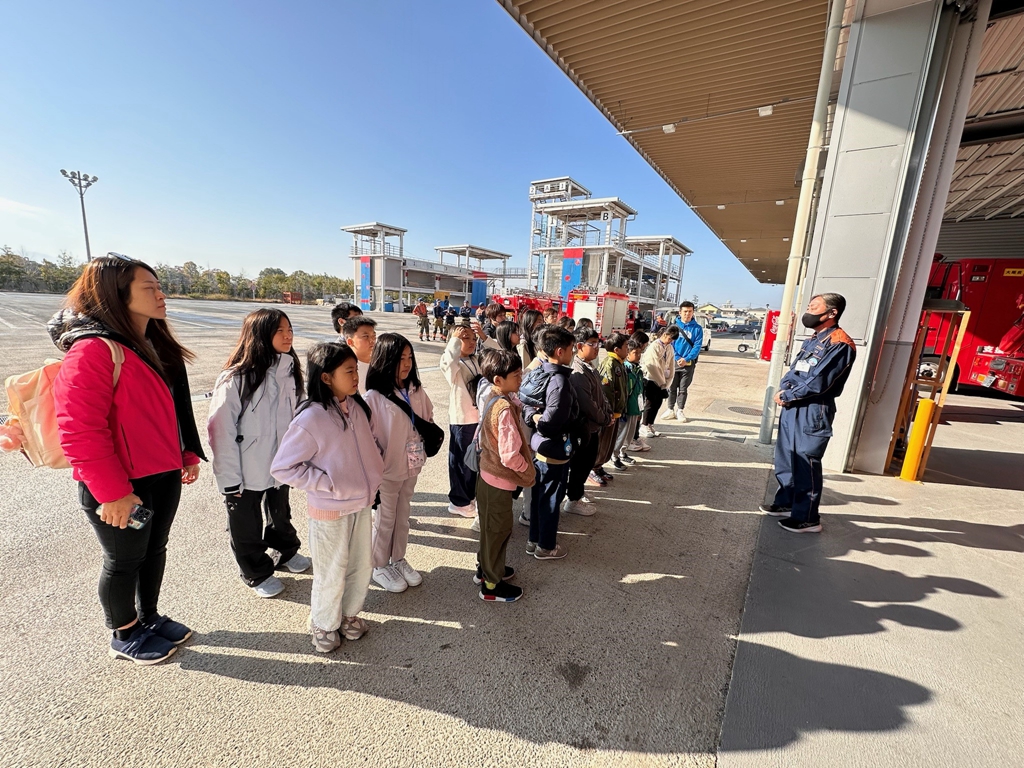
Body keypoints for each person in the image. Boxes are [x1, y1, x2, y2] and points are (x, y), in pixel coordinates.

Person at [49, 255, 205, 665]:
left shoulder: (152, 343)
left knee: (154, 549)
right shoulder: (93, 350)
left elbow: (173, 409)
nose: (161, 295)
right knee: (124, 560)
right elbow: (79, 430)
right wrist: (113, 493)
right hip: (122, 486)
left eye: (159, 286)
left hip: (162, 473)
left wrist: (186, 452)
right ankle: (124, 632)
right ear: (117, 295)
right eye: (149, 288)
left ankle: (148, 616)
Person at [271, 343, 385, 653]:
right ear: (326, 377)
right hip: (330, 510)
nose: (356, 376)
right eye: (348, 371)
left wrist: (374, 471)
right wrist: (329, 485)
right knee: (331, 570)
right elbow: (283, 467)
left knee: (360, 565)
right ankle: (323, 623)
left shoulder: (358, 408)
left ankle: (349, 615)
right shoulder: (311, 418)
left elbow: (370, 445)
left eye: (356, 369)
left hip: (361, 504)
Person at [207, 309, 309, 599]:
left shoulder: (290, 372)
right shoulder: (236, 378)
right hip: (245, 467)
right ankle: (255, 571)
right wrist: (229, 479)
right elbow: (220, 430)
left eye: (290, 329)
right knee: (246, 523)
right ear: (260, 334)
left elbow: (301, 415)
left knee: (280, 512)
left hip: (280, 463)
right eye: (279, 330)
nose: (288, 336)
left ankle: (285, 551)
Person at [762, 294, 856, 534]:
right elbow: (795, 370)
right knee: (787, 457)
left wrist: (788, 395)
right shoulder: (813, 340)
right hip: (793, 406)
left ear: (832, 313)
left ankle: (807, 518)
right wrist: (784, 388)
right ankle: (786, 502)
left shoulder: (840, 343)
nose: (809, 311)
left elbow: (819, 381)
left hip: (813, 409)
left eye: (814, 307)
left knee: (806, 461)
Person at [363, 334, 435, 593]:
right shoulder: (373, 397)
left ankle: (398, 559)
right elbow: (368, 438)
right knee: (385, 518)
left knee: (403, 515)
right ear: (385, 360)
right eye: (400, 359)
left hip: (411, 465)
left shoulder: (416, 390)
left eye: (409, 358)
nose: (406, 364)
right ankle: (378, 564)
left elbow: (428, 416)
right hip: (387, 471)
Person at [474, 350, 536, 602]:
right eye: (516, 375)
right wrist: (526, 468)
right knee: (498, 531)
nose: (521, 378)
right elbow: (509, 456)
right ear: (498, 380)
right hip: (499, 481)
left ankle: (486, 569)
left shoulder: (493, 396)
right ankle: (491, 585)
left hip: (487, 477)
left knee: (490, 530)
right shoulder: (504, 409)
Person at [520, 325, 577, 559]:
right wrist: (540, 421)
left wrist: (534, 419)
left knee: (539, 496)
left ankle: (534, 539)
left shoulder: (539, 372)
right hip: (554, 447)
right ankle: (546, 546)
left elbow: (526, 404)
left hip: (539, 445)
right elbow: (552, 421)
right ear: (560, 351)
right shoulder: (560, 382)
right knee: (551, 498)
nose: (573, 353)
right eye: (571, 349)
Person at [440, 319, 500, 517]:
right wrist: (454, 341)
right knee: (460, 461)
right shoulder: (453, 362)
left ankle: (469, 496)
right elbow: (448, 363)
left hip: (478, 418)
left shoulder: (476, 360)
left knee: (473, 460)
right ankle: (459, 501)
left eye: (473, 338)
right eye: (465, 338)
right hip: (463, 419)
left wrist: (483, 337)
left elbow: (499, 354)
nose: (471, 342)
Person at [565, 327, 612, 509]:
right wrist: (604, 418)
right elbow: (587, 404)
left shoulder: (589, 367)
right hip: (584, 427)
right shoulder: (578, 372)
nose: (596, 347)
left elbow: (600, 394)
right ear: (579, 346)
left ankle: (578, 493)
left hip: (593, 425)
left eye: (597, 343)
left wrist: (607, 412)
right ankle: (573, 500)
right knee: (581, 464)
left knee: (587, 462)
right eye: (592, 344)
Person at [662, 301, 703, 422]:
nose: (687, 314)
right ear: (680, 312)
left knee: (683, 388)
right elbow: (669, 344)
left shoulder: (697, 328)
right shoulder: (673, 327)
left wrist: (687, 359)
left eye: (690, 311)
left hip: (688, 364)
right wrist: (677, 357)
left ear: (693, 312)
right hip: (673, 362)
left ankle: (680, 410)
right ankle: (670, 409)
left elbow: (697, 346)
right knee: (671, 387)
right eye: (685, 311)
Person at [639, 325, 679, 439]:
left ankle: (650, 424)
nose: (670, 341)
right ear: (665, 335)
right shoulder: (654, 346)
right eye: (670, 338)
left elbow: (671, 364)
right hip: (652, 379)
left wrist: (668, 381)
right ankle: (644, 425)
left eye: (672, 340)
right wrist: (662, 382)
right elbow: (653, 366)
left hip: (663, 381)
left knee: (657, 403)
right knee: (650, 403)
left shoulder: (669, 347)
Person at [598, 333, 630, 471]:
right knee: (603, 443)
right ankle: (595, 468)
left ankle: (600, 467)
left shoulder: (619, 363)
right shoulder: (610, 364)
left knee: (609, 444)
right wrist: (609, 412)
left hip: (616, 412)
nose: (628, 349)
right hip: (610, 413)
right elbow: (606, 391)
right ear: (616, 349)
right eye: (626, 346)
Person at [619, 335, 650, 457]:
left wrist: (640, 410)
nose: (638, 355)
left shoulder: (638, 370)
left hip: (635, 408)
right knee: (622, 433)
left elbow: (640, 393)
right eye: (635, 353)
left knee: (630, 433)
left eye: (640, 353)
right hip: (627, 409)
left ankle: (623, 452)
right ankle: (617, 454)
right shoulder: (625, 369)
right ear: (627, 353)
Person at [341, 315, 377, 392]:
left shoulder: (381, 362)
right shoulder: (345, 369)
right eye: (366, 336)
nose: (372, 340)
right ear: (350, 342)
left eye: (374, 336)